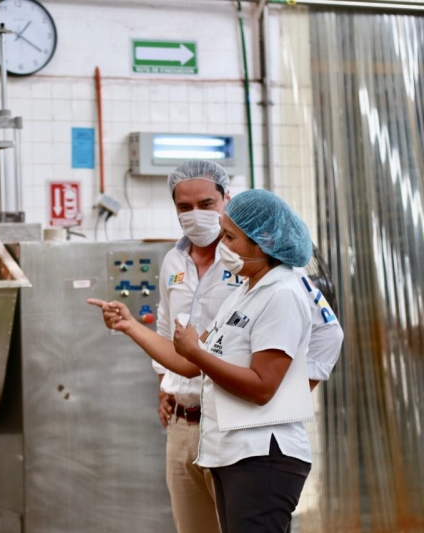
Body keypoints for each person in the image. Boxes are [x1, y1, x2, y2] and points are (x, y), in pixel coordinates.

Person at [87, 161, 343, 533]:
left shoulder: (284, 290)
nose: (223, 245)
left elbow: (262, 384)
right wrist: (130, 326)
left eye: (230, 237)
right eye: (185, 207)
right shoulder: (243, 292)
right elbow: (187, 361)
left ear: (262, 241)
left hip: (261, 450)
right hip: (221, 442)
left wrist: (289, 396)